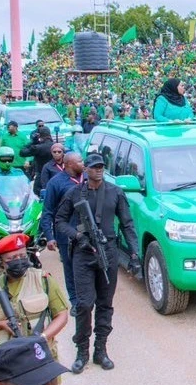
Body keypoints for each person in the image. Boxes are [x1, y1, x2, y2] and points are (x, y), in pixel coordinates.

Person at [54, 153, 140, 373]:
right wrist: (77, 236)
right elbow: (60, 221)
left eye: (101, 166)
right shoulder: (74, 193)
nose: (98, 170)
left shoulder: (115, 192)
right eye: (94, 167)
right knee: (84, 304)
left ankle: (100, 350)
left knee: (105, 303)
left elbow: (127, 224)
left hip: (108, 252)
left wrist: (134, 254)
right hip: (83, 253)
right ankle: (81, 351)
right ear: (86, 170)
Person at [0, 233, 68, 358]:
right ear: (0, 261)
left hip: (42, 359)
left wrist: (43, 338)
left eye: (23, 256)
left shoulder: (42, 280)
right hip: (5, 364)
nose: (19, 260)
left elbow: (62, 315)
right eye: (12, 258)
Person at [42, 151, 85, 310]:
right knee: (70, 268)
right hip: (66, 234)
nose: (83, 163)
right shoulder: (55, 183)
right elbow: (47, 211)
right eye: (80, 161)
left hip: (87, 231)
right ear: (69, 165)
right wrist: (49, 236)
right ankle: (74, 301)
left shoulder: (87, 178)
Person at [20, 125, 55, 195]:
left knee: (37, 192)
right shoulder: (56, 146)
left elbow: (22, 152)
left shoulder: (37, 148)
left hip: (41, 175)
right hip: (55, 175)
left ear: (39, 136)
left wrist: (33, 141)